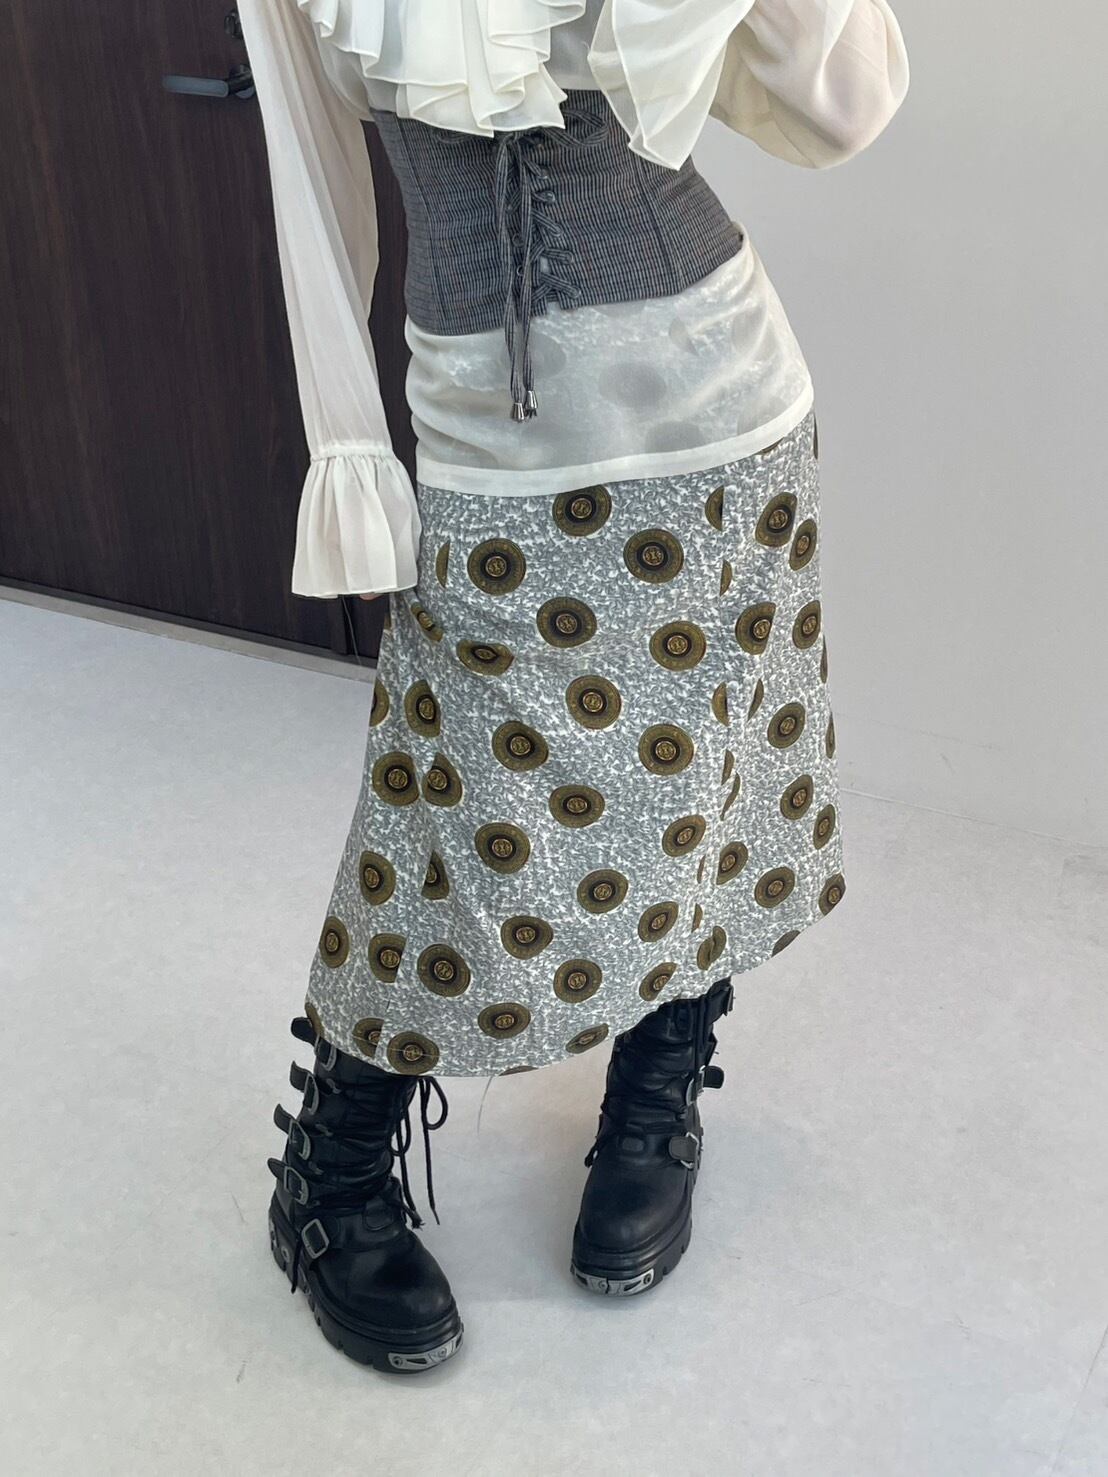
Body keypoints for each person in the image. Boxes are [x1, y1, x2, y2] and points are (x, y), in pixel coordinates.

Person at [238, 0, 909, 1374]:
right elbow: (309, 176)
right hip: (483, 442)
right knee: (440, 830)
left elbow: (836, 107)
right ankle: (332, 1163)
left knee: (709, 789)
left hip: (727, 409)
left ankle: (654, 1102)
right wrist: (350, 450)